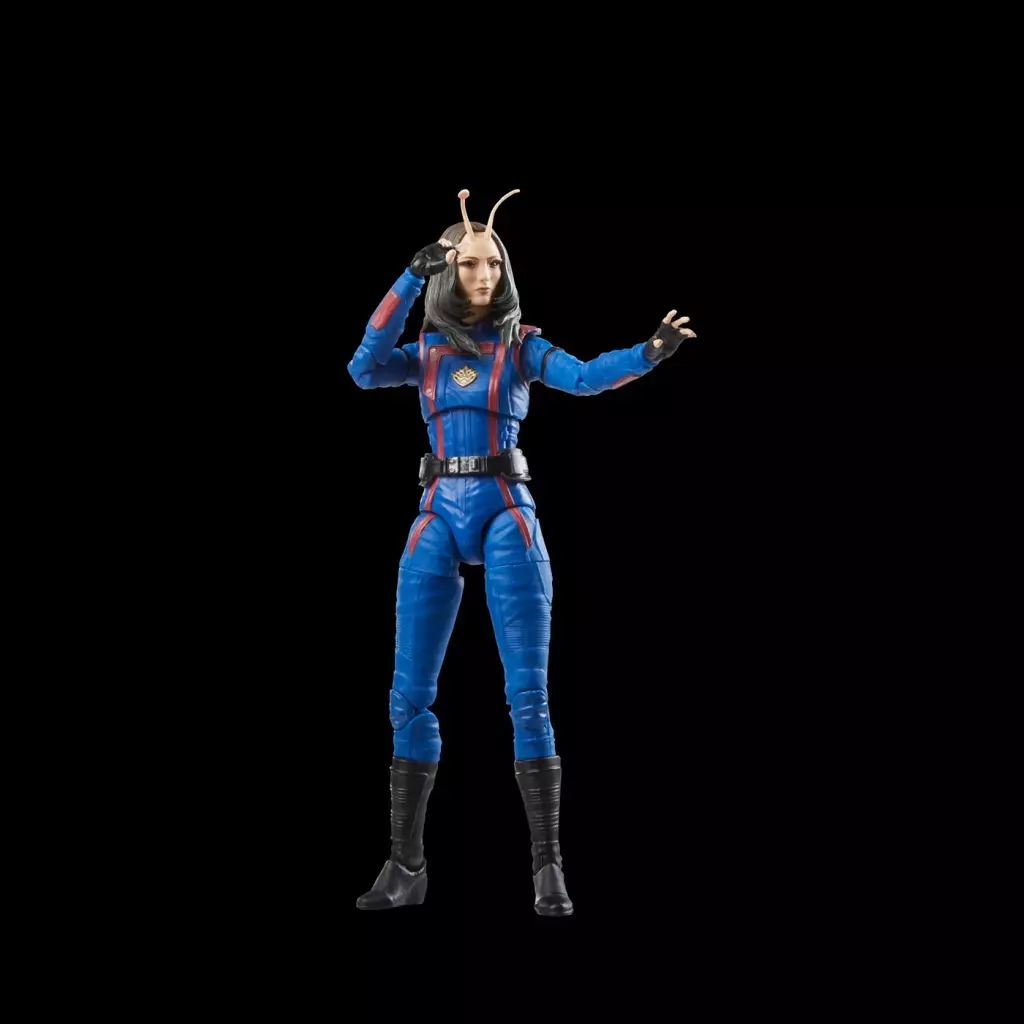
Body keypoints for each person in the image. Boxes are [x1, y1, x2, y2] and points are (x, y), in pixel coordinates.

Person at [348, 189, 695, 916]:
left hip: (508, 513)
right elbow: (362, 366)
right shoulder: (427, 353)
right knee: (407, 697)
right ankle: (405, 865)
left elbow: (585, 377)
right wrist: (408, 276)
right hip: (437, 513)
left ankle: (548, 866)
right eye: (468, 263)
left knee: (528, 694)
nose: (483, 275)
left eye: (493, 263)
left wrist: (649, 352)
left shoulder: (521, 346)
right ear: (448, 271)